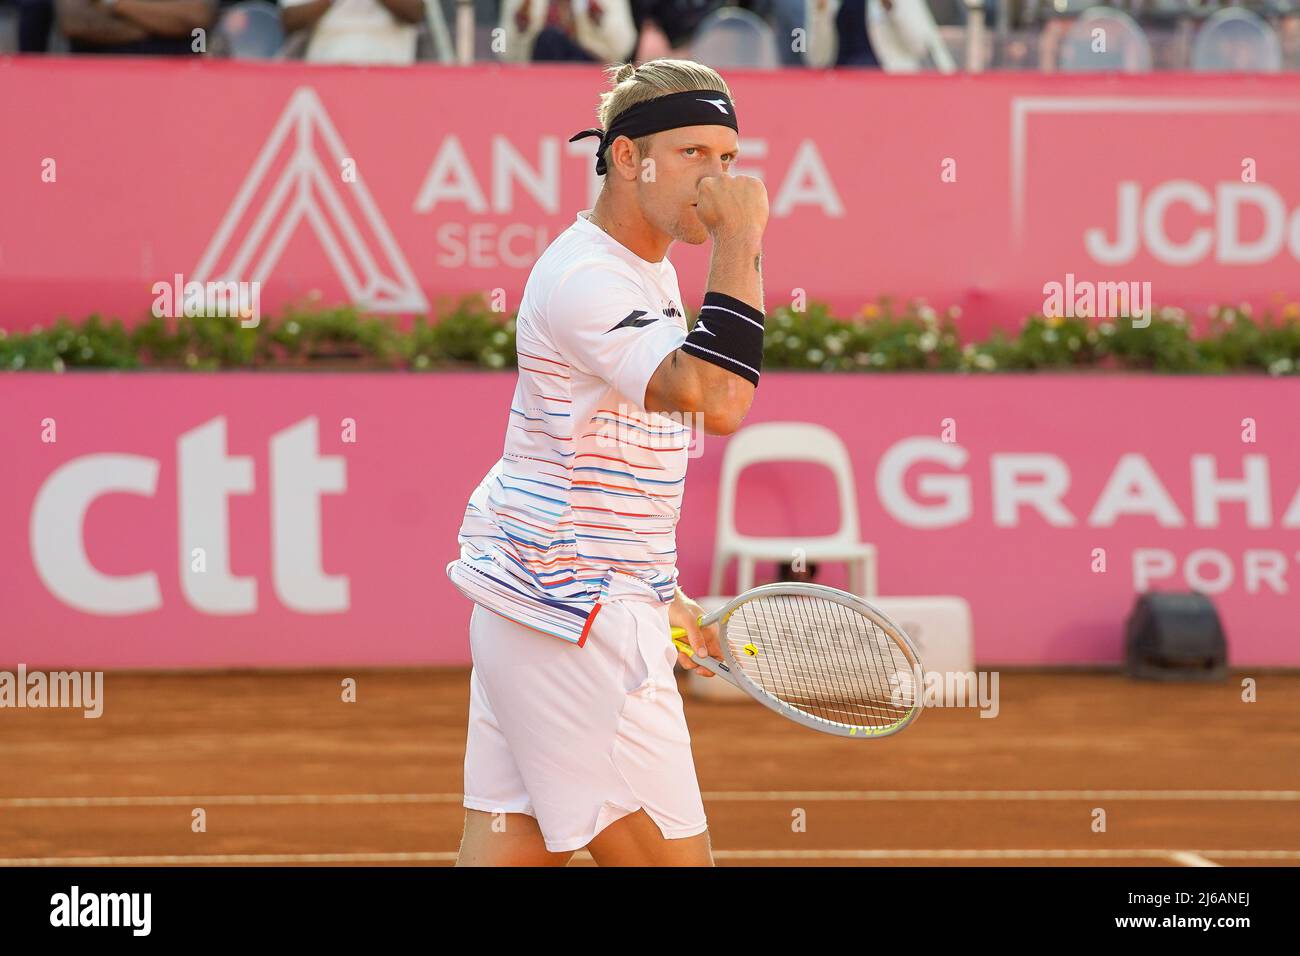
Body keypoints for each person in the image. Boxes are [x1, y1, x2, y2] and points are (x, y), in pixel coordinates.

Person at [446, 58, 768, 867]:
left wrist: (663, 595)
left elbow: (616, 462)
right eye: (693, 153)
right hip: (575, 618)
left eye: (727, 159)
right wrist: (744, 237)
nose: (716, 178)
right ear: (627, 156)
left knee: (505, 857)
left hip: (547, 605)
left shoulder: (646, 271)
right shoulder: (587, 276)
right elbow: (719, 402)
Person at [55, 0, 215, 54]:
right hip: (98, 76)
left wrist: (113, 3)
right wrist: (165, 26)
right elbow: (76, 23)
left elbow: (196, 18)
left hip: (178, 76)